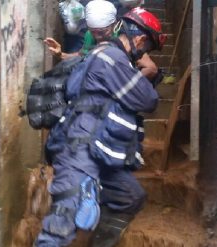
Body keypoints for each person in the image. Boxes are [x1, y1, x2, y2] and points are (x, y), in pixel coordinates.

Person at [34, 7, 166, 247]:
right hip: (79, 151)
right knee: (60, 225)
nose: (146, 54)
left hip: (97, 148)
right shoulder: (112, 59)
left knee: (130, 196)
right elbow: (148, 100)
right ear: (140, 39)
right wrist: (146, 68)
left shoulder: (104, 55)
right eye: (147, 49)